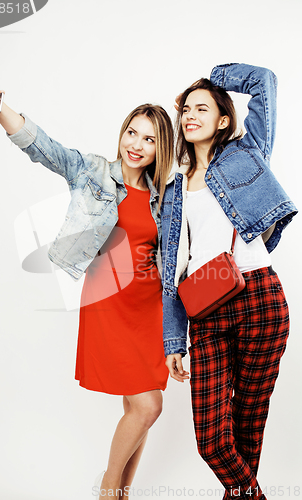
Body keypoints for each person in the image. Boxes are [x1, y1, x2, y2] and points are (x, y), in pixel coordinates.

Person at [0, 91, 174, 500]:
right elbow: (45, 149)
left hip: (149, 309)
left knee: (139, 412)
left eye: (149, 139)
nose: (136, 145)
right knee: (148, 406)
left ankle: (122, 493)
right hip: (111, 303)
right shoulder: (95, 172)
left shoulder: (165, 195)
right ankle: (107, 490)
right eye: (132, 133)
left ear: (161, 147)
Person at [160, 64, 297, 500]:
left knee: (247, 429)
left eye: (203, 108)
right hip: (207, 308)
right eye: (186, 109)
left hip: (260, 297)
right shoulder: (174, 187)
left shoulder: (248, 151)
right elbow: (171, 270)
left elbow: (264, 82)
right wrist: (173, 339)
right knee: (213, 441)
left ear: (223, 120)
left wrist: (212, 76)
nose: (190, 115)